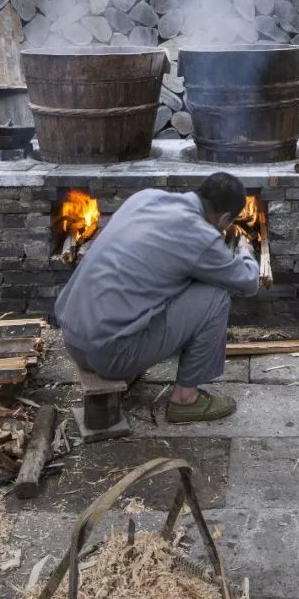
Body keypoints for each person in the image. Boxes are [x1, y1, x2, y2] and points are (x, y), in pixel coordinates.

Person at [54, 172, 258, 424]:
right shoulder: (200, 236)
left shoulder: (145, 198)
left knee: (185, 281)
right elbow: (249, 282)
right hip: (110, 354)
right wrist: (245, 250)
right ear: (226, 218)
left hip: (73, 339)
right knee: (215, 295)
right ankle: (185, 400)